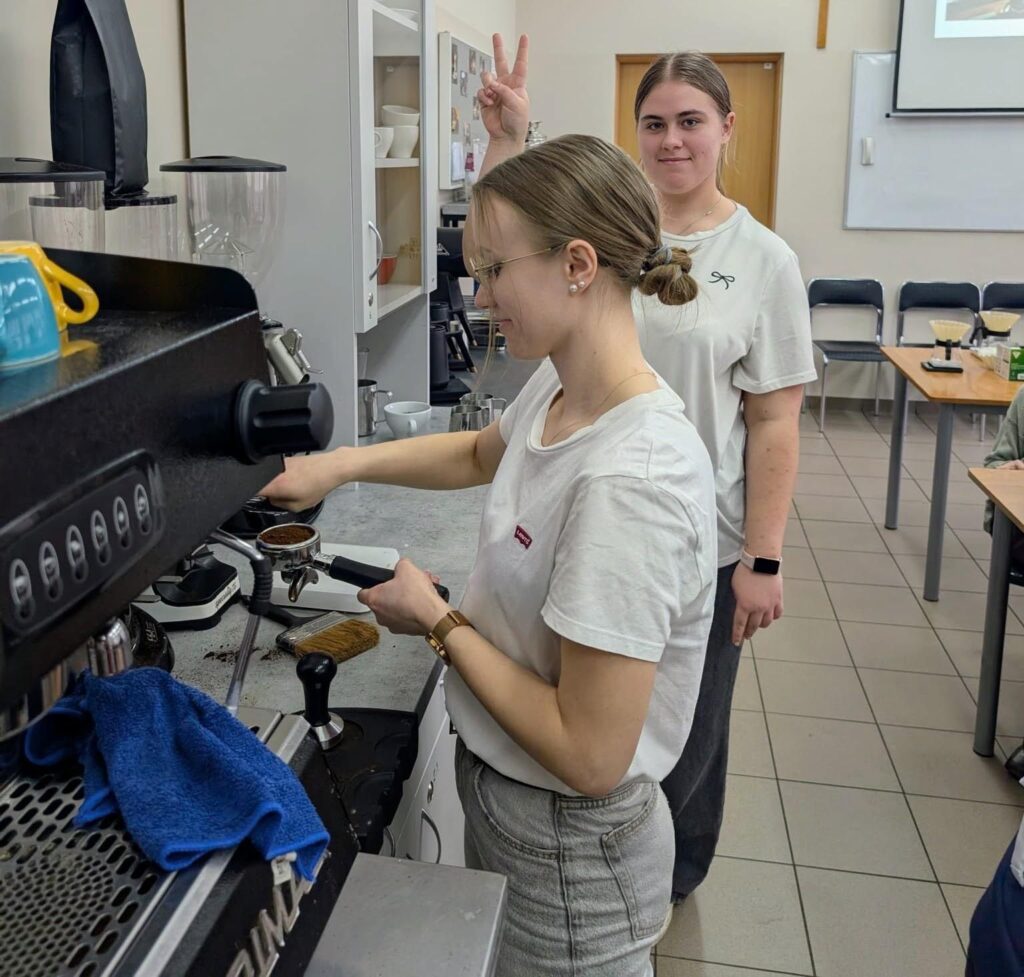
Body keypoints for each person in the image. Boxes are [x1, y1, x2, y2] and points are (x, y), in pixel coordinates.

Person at [262, 129, 718, 975]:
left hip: (571, 854)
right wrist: (338, 463)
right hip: (518, 810)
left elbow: (589, 753)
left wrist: (438, 622)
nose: (478, 294)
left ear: (577, 264)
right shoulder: (563, 383)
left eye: (495, 269)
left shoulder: (632, 480)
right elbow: (478, 452)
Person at [477, 39, 816, 902]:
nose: (671, 141)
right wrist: (510, 138)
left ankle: (667, 883)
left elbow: (774, 421)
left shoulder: (765, 260)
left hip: (700, 536)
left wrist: (763, 556)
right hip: (588, 509)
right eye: (654, 123)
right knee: (588, 713)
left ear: (727, 129)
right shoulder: (614, 229)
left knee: (688, 730)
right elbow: (512, 243)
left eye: (690, 122)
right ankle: (598, 872)